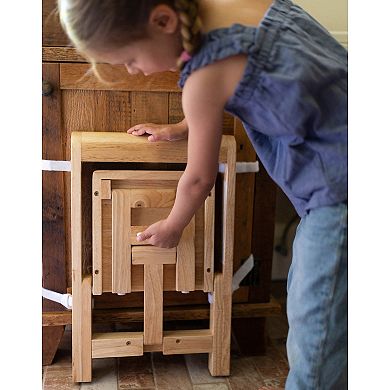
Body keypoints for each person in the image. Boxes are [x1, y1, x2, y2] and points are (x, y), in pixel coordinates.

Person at [58, 0, 347, 388]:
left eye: (128, 58)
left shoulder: (203, 79)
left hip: (340, 194)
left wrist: (174, 225)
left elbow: (198, 179)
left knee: (316, 328)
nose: (131, 70)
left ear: (163, 20)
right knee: (318, 297)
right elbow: (240, 81)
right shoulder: (240, 6)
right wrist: (185, 125)